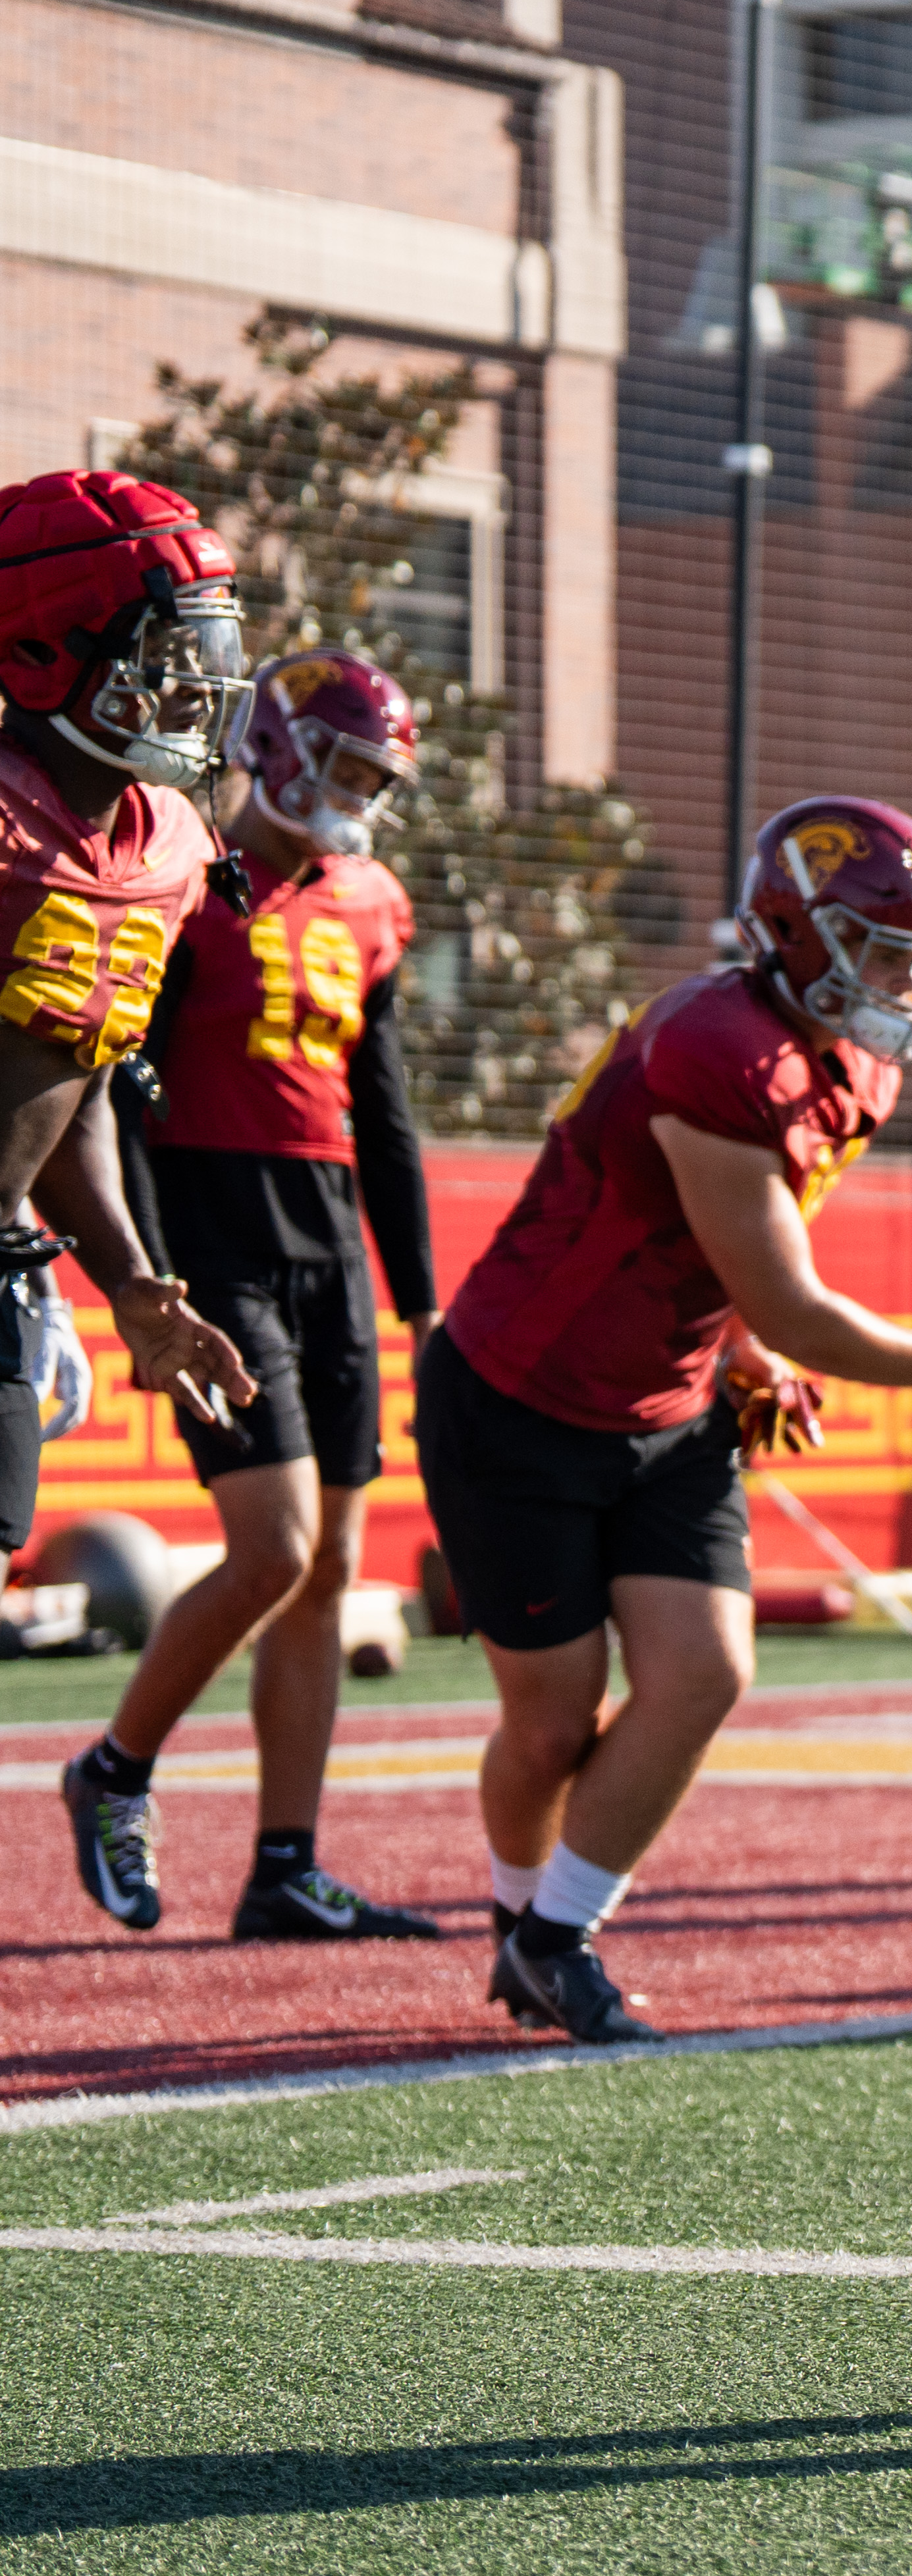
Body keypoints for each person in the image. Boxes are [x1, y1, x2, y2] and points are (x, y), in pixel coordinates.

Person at [427, 800, 912, 2047]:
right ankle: (512, 1912)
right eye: (881, 948)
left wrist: (744, 1347)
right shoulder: (719, 1047)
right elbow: (797, 1300)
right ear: (794, 931)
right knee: (551, 1721)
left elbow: (719, 1247)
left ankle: (556, 1937)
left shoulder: (848, 1055)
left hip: (673, 1400)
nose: (905, 980)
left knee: (706, 1670)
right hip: (521, 1397)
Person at [67, 650, 442, 1941]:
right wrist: (148, 1277)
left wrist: (422, 1298)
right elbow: (117, 1091)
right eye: (342, 766)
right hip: (213, 1224)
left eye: (375, 776)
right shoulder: (181, 878)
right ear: (272, 747)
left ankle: (285, 1861)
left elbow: (383, 1115)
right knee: (274, 1544)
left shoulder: (373, 899)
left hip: (328, 1231)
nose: (357, 796)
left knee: (332, 1565)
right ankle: (113, 1765)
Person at [17, 473, 279, 1933]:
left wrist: (122, 1279)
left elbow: (78, 1077)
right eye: (160, 650)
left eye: (202, 650)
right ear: (45, 644)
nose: (193, 684)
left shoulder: (160, 841)